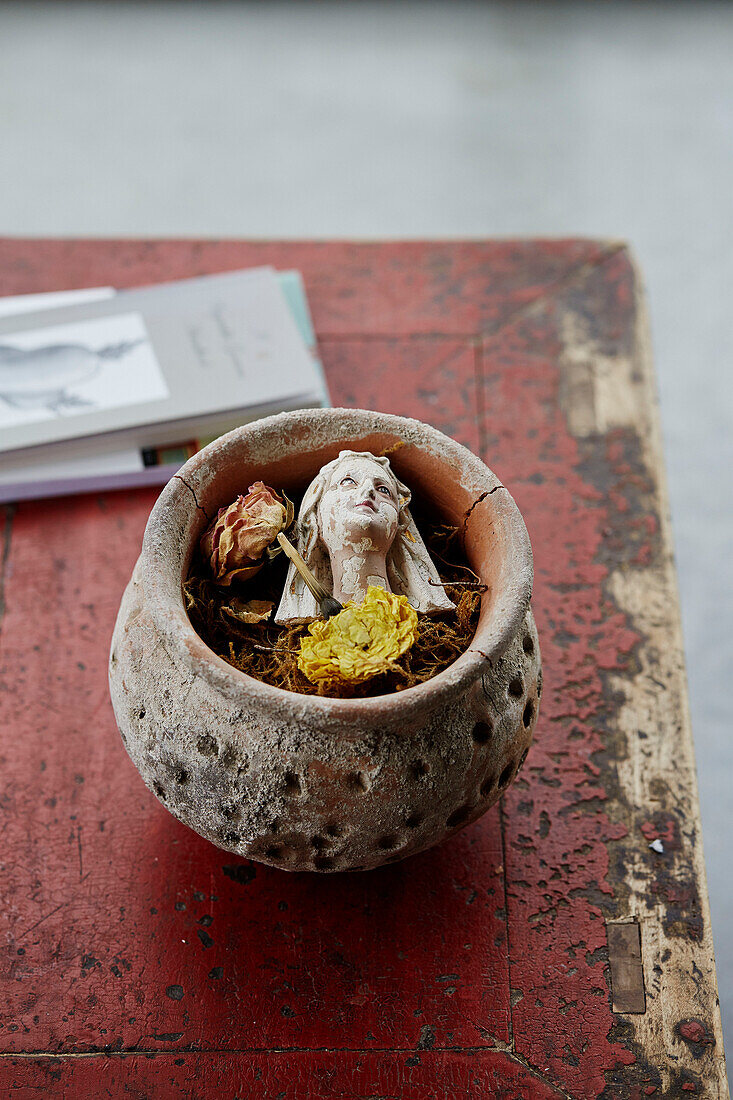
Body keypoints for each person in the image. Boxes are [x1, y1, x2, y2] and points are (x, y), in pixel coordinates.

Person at [275, 450, 455, 623]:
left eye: (384, 490)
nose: (369, 490)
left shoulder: (421, 629)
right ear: (314, 516)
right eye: (348, 481)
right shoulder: (313, 640)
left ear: (399, 524)